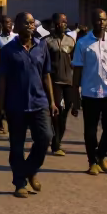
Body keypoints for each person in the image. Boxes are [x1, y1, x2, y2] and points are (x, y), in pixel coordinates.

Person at [0, 12, 56, 197]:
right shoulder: (8, 50)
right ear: (17, 26)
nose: (31, 25)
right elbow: (3, 80)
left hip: (39, 102)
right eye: (26, 23)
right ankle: (19, 184)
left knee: (46, 137)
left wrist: (52, 101)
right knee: (17, 146)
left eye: (32, 23)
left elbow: (46, 75)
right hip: (16, 105)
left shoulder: (42, 46)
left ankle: (30, 170)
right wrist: (0, 108)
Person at [72, 8, 107, 176]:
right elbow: (78, 71)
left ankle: (100, 155)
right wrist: (75, 95)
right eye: (97, 20)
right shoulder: (82, 43)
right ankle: (92, 162)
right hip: (90, 92)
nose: (101, 22)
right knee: (90, 130)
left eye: (103, 19)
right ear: (92, 21)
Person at [42, 13, 76, 156]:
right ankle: (56, 144)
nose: (64, 24)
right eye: (62, 22)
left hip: (68, 81)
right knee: (55, 112)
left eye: (65, 21)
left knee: (65, 112)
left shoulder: (71, 41)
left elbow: (74, 61)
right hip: (53, 81)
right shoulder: (46, 41)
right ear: (55, 24)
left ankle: (57, 139)